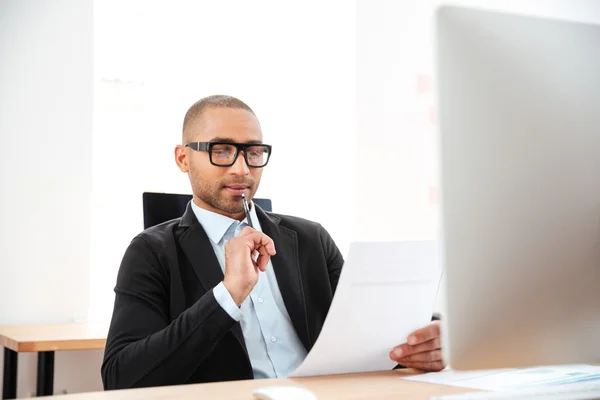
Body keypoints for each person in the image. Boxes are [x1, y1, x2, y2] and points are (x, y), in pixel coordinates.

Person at [101, 95, 445, 390]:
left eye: (253, 152)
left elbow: (367, 328)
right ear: (183, 158)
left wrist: (429, 340)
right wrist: (228, 294)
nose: (241, 170)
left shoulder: (310, 239)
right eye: (221, 151)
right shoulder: (150, 252)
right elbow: (122, 378)